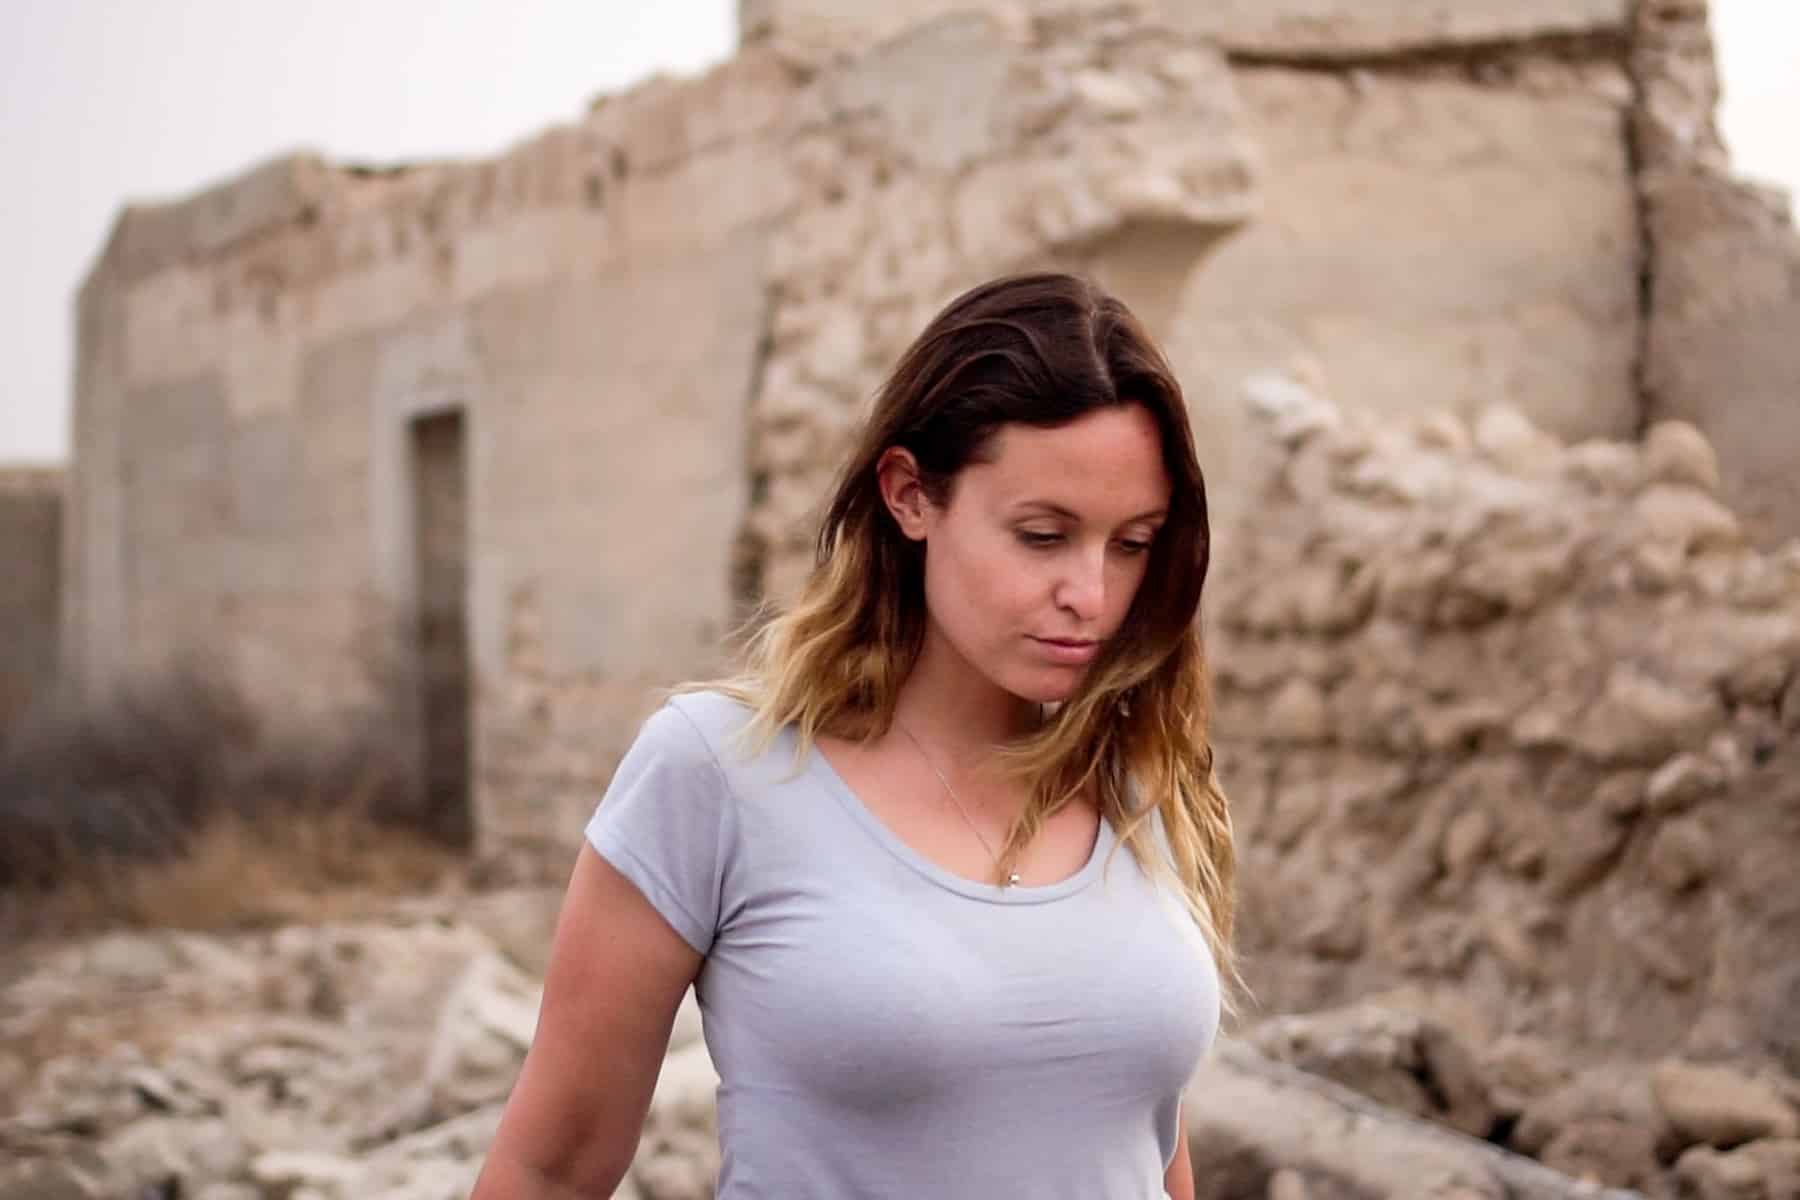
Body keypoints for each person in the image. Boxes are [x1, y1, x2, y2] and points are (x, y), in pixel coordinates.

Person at [471, 273, 1238, 1200]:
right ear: (911, 495)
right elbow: (550, 1170)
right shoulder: (720, 772)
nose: (1093, 595)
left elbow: (1141, 1144)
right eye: (1043, 535)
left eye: (1132, 543)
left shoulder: (1135, 778)